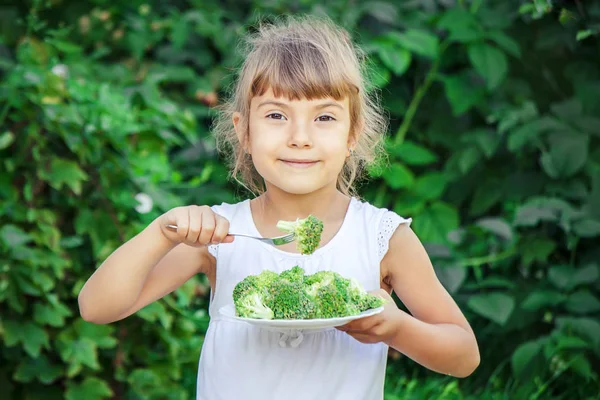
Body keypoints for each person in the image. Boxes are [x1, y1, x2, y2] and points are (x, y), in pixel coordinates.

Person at [78, 14, 479, 400]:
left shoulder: (382, 238)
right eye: (276, 115)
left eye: (324, 117)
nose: (299, 137)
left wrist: (397, 328)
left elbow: (464, 355)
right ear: (244, 132)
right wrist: (160, 233)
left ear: (352, 134)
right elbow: (97, 308)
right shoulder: (220, 235)